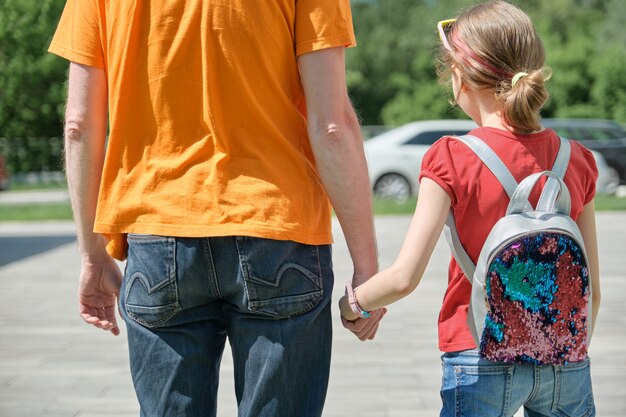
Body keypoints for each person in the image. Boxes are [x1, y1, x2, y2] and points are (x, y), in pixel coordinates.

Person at [49, 1, 385, 416]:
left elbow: (79, 125)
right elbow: (332, 125)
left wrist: (93, 254)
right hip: (278, 229)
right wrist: (367, 267)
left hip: (157, 232)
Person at [339, 1, 600, 416]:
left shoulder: (452, 157)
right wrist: (559, 350)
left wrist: (355, 304)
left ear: (459, 76)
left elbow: (404, 277)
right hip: (564, 358)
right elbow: (592, 295)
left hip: (478, 352)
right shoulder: (577, 159)